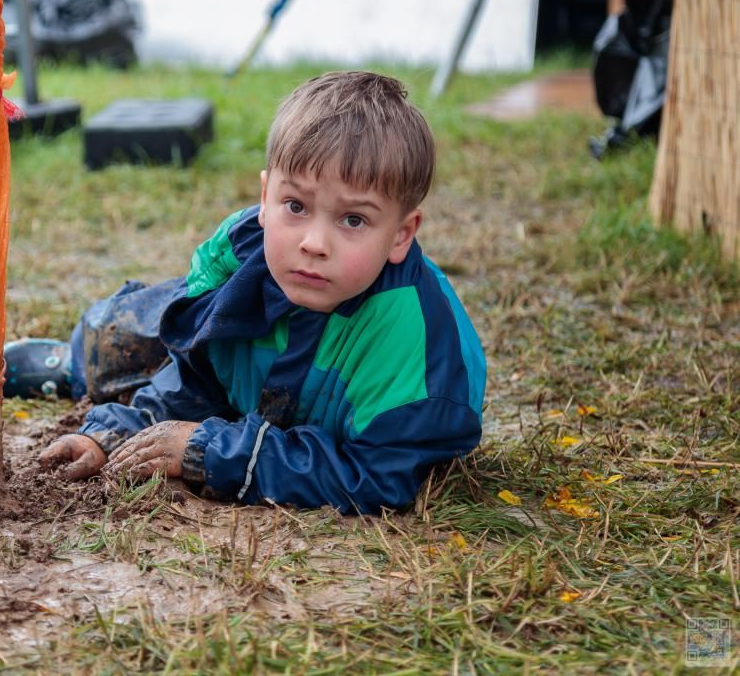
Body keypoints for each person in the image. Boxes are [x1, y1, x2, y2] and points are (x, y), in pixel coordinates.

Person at [33, 70, 486, 515]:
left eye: (353, 220)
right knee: (112, 341)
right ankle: (65, 362)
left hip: (304, 392)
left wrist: (213, 450)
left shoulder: (416, 352)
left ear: (401, 234)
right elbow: (197, 377)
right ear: (266, 198)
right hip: (246, 347)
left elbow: (374, 475)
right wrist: (111, 436)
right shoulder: (245, 256)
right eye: (296, 206)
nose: (313, 243)